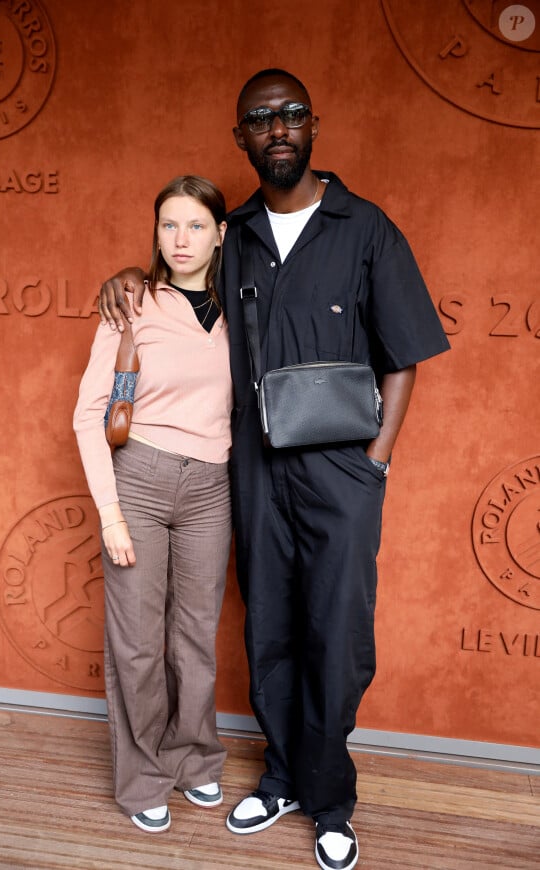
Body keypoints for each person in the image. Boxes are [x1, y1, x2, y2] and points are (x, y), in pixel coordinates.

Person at [97, 70, 450, 870]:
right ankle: (284, 776)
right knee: (271, 631)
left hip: (341, 474)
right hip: (253, 473)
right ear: (241, 140)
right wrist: (124, 279)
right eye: (261, 118)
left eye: (291, 113)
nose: (278, 127)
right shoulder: (238, 233)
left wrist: (376, 464)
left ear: (314, 124)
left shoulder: (366, 229)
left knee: (339, 636)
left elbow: (406, 358)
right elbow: (179, 291)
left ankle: (331, 799)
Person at [74, 175, 233, 834]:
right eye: (170, 225)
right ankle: (141, 778)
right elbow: (87, 415)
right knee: (138, 644)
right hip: (138, 479)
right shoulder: (132, 301)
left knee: (194, 640)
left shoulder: (240, 310)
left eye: (196, 225)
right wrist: (110, 513)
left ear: (220, 233)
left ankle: (194, 759)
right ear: (156, 233)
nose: (182, 238)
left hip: (212, 488)